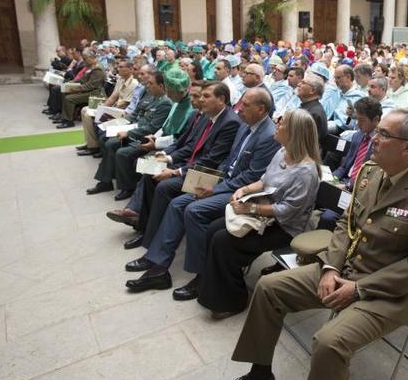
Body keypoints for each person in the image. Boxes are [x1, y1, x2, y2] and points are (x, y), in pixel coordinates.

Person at [224, 109, 408, 380]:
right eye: (377, 131)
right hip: (343, 270)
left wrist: (358, 289)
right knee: (269, 288)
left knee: (329, 342)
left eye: (383, 134)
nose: (374, 139)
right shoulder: (370, 172)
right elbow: (347, 224)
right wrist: (331, 268)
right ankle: (260, 377)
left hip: (386, 293)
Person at [124, 88, 281, 296]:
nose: (240, 108)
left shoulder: (268, 136)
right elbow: (228, 161)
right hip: (224, 179)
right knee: (176, 202)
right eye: (241, 103)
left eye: (246, 105)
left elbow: (251, 178)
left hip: (240, 192)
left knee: (193, 210)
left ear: (261, 109)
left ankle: (203, 276)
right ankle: (159, 266)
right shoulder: (246, 126)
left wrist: (214, 187)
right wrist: (210, 179)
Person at [197, 109, 322, 317]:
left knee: (223, 241)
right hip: (265, 216)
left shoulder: (306, 172)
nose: (276, 126)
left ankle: (234, 300)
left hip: (285, 227)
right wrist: (244, 190)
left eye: (281, 124)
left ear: (293, 132)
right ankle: (218, 283)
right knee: (214, 229)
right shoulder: (282, 152)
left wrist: (250, 208)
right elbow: (265, 180)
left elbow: (288, 211)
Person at [131, 82, 241, 247]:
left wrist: (177, 172)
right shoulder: (206, 116)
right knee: (147, 170)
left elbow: (210, 160)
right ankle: (145, 228)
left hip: (206, 174)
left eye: (206, 96)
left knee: (164, 186)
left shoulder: (230, 122)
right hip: (188, 165)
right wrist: (168, 159)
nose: (201, 100)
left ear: (221, 99)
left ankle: (152, 240)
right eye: (200, 96)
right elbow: (190, 146)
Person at [86, 71, 173, 194]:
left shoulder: (165, 103)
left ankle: (127, 187)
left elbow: (151, 128)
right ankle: (106, 181)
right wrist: (121, 122)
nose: (147, 86)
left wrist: (129, 132)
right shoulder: (149, 96)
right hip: (133, 128)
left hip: (144, 136)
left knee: (119, 150)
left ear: (161, 86)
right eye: (147, 83)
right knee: (106, 137)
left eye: (151, 83)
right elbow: (135, 115)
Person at [331, 97, 380, 184]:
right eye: (357, 119)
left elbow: (370, 179)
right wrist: (333, 178)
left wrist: (348, 185)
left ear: (376, 120)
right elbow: (344, 167)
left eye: (362, 120)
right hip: (344, 181)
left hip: (359, 187)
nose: (357, 123)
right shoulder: (357, 136)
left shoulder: (380, 143)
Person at [296, 75, 328, 149]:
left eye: (303, 83)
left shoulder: (314, 113)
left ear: (312, 91)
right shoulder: (308, 108)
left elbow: (302, 144)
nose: (298, 84)